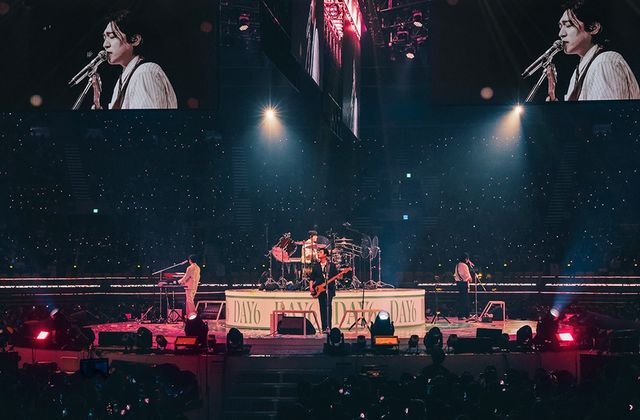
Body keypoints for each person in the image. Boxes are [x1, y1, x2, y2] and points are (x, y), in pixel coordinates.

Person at [548, 0, 639, 101]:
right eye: (560, 26)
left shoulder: (604, 62)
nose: (561, 33)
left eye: (568, 25)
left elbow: (609, 111)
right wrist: (555, 107)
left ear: (593, 28)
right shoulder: (579, 72)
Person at [93, 9, 177, 109]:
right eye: (104, 38)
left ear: (135, 40)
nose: (105, 44)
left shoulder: (145, 72)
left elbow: (148, 119)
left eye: (112, 36)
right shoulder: (122, 81)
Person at [309, 248, 338, 332]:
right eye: (318, 252)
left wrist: (340, 276)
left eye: (320, 252)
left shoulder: (331, 265)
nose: (318, 253)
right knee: (322, 308)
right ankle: (324, 328)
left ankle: (329, 328)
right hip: (319, 289)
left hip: (329, 289)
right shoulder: (316, 266)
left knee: (328, 307)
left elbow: (336, 276)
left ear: (325, 254)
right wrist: (311, 287)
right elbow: (311, 278)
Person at [178, 255, 201, 320]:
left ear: (190, 260)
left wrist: (179, 281)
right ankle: (189, 316)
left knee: (189, 301)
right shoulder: (198, 268)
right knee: (189, 301)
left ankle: (194, 315)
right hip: (194, 286)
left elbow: (186, 277)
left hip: (189, 286)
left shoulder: (190, 268)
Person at [453, 253, 473, 320]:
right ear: (465, 259)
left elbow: (455, 275)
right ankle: (463, 314)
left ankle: (465, 314)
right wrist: (470, 278)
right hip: (463, 283)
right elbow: (467, 276)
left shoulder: (457, 265)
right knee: (465, 300)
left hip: (459, 283)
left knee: (462, 299)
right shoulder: (464, 265)